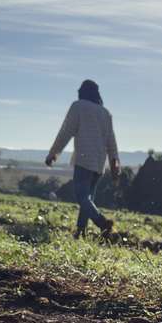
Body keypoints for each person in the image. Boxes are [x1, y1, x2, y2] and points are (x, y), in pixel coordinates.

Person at [45, 80, 121, 238]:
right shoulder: (105, 113)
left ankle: (103, 223)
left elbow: (66, 131)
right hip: (99, 163)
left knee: (82, 197)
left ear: (82, 91)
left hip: (84, 159)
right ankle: (81, 232)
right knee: (88, 198)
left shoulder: (78, 106)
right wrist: (114, 164)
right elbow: (111, 142)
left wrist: (53, 153)